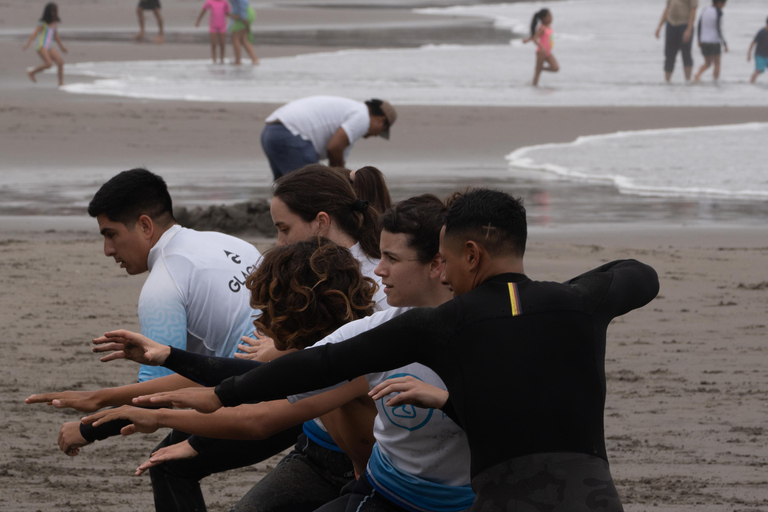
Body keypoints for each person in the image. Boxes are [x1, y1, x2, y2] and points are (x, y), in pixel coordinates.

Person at [129, 189, 660, 511]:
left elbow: (319, 363)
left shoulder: (438, 325)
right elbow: (639, 275)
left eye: (448, 258)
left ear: (470, 255)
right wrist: (548, 296)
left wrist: (221, 396)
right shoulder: (577, 305)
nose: (444, 272)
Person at [87, 195, 475, 512]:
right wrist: (166, 361)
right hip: (349, 470)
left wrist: (167, 413)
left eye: (283, 228)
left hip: (408, 491)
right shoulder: (363, 333)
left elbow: (261, 418)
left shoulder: (372, 345)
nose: (381, 270)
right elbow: (248, 377)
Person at [25, 168, 262, 459]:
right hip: (300, 377)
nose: (107, 250)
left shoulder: (162, 285)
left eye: (111, 234)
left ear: (145, 226)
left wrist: (87, 429)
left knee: (167, 466)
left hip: (259, 400)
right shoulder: (231, 243)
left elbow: (153, 399)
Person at [260, 96, 397, 180]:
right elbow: (334, 148)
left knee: (284, 187)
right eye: (380, 132)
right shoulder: (363, 117)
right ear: (381, 120)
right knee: (312, 189)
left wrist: (340, 177)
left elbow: (339, 160)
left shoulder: (351, 111)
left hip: (270, 132)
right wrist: (339, 183)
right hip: (290, 134)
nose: (374, 136)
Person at [23, 3, 67, 87]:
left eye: (55, 11)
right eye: (52, 11)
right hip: (41, 45)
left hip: (49, 46)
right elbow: (34, 33)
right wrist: (28, 43)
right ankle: (31, 72)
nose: (53, 13)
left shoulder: (54, 23)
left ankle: (60, 83)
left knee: (60, 62)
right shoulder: (42, 23)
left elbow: (56, 36)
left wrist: (62, 47)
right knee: (48, 64)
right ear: (48, 12)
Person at [656, 0, 698, 82]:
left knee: (686, 54)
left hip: (684, 25)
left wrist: (689, 29)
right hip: (671, 24)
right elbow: (667, 8)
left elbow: (693, 10)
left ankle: (688, 81)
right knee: (669, 55)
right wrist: (659, 26)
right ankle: (667, 82)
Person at [523, 8, 559, 87]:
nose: (551, 17)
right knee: (537, 74)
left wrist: (528, 39)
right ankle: (534, 87)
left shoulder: (549, 26)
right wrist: (541, 47)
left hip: (548, 52)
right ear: (543, 18)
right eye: (549, 16)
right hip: (541, 52)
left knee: (556, 68)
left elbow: (534, 37)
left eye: (551, 15)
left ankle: (540, 68)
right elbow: (535, 38)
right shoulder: (542, 28)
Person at [694, 0, 728, 82]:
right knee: (717, 63)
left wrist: (699, 39)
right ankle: (715, 81)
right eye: (724, 3)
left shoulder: (705, 9)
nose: (724, 5)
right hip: (714, 41)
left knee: (707, 63)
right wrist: (724, 43)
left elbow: (699, 25)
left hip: (704, 40)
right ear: (719, 2)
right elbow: (718, 28)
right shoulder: (719, 12)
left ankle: (697, 74)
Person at [196, 0, 230, 64]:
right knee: (213, 44)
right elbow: (203, 11)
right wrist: (198, 20)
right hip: (213, 26)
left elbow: (227, 13)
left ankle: (222, 60)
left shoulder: (224, 2)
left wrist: (235, 17)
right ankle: (214, 60)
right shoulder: (210, 1)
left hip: (222, 26)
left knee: (222, 44)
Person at [229, 0, 258, 65]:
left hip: (243, 14)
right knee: (244, 39)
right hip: (244, 13)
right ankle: (254, 59)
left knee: (236, 38)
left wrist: (243, 17)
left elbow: (242, 3)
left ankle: (238, 60)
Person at [747, 16, 768, 84]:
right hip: (760, 55)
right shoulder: (761, 32)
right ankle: (751, 83)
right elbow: (753, 43)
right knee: (758, 70)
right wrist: (749, 54)